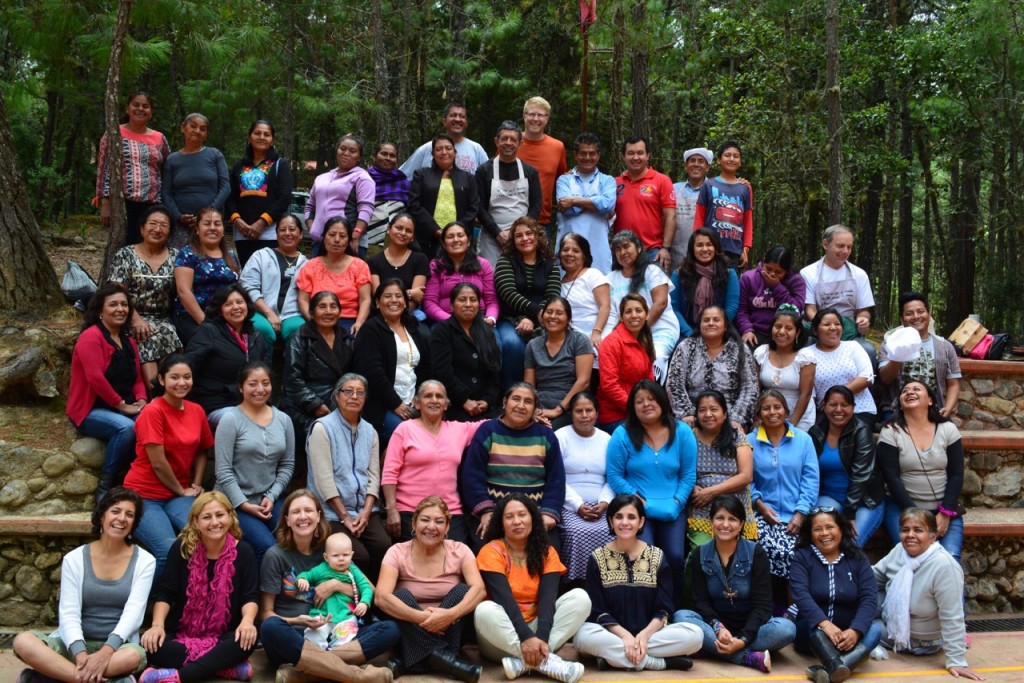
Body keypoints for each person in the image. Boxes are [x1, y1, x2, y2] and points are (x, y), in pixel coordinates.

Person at [12, 488, 154, 683]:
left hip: (116, 649)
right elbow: (69, 613)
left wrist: (106, 651)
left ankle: (53, 676)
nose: (122, 518)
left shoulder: (145, 561)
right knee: (23, 642)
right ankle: (84, 678)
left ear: (133, 523)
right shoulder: (75, 558)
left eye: (129, 514)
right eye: (115, 511)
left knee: (132, 657)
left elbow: (134, 613)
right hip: (72, 647)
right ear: (102, 516)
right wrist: (80, 655)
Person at [259, 489, 397, 683]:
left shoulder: (331, 550)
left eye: (308, 510)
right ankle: (357, 676)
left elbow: (372, 593)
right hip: (296, 637)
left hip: (338, 630)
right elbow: (266, 613)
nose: (303, 516)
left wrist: (336, 585)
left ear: (318, 516)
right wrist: (299, 620)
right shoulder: (275, 556)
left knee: (390, 629)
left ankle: (304, 673)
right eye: (296, 512)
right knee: (271, 627)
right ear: (287, 519)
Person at [138, 492, 258, 683]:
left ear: (230, 516)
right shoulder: (182, 549)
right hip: (181, 633)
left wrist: (247, 621)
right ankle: (222, 666)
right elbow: (166, 593)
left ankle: (178, 676)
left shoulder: (244, 552)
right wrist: (157, 625)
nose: (214, 522)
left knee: (245, 641)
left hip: (224, 635)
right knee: (150, 646)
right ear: (195, 521)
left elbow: (250, 596)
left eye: (220, 515)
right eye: (206, 517)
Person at [574, 494, 703, 671]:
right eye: (618, 517)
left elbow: (664, 608)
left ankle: (613, 658)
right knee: (583, 636)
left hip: (650, 636)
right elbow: (597, 609)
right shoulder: (597, 557)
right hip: (613, 634)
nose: (625, 522)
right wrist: (625, 636)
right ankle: (657, 662)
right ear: (611, 521)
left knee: (694, 635)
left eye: (631, 517)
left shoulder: (657, 556)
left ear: (641, 522)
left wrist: (644, 635)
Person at [674, 494, 797, 673]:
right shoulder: (700, 553)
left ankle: (713, 649)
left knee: (787, 629)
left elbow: (763, 606)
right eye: (720, 518)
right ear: (711, 521)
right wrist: (718, 627)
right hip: (715, 628)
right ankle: (747, 658)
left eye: (732, 519)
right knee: (681, 616)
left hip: (753, 628)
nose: (725, 524)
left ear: (741, 524)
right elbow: (700, 601)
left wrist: (743, 639)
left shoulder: (756, 553)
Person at [474, 496, 591, 683]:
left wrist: (541, 638)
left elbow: (548, 599)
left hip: (540, 633)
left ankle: (528, 662)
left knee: (580, 597)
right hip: (501, 637)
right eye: (509, 517)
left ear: (533, 519)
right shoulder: (492, 551)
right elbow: (504, 599)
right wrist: (526, 638)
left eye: (522, 515)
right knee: (484, 610)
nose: (517, 521)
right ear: (501, 523)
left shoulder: (546, 551)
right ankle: (545, 660)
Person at [374, 496, 487, 681]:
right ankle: (447, 662)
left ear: (448, 527)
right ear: (414, 522)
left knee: (462, 591)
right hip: (410, 629)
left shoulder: (460, 550)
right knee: (400, 596)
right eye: (425, 520)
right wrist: (422, 618)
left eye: (439, 521)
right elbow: (381, 597)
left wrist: (450, 614)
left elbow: (479, 590)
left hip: (450, 629)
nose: (431, 526)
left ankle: (412, 661)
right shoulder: (397, 552)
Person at [605, 380, 697, 605]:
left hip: (673, 507)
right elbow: (615, 475)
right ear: (632, 407)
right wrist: (636, 501)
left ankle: (672, 608)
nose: (646, 404)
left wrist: (678, 502)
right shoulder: (622, 434)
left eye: (651, 398)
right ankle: (643, 609)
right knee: (643, 556)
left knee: (674, 556)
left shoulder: (682, 432)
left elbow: (688, 475)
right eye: (639, 401)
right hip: (637, 510)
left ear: (662, 401)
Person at [124, 354, 212, 581]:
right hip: (145, 494)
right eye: (175, 377)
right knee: (168, 550)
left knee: (205, 538)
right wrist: (181, 490)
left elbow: (204, 449)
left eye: (187, 377)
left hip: (178, 493)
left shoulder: (196, 410)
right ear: (161, 380)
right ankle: (143, 609)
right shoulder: (153, 412)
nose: (182, 382)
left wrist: (197, 483)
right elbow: (158, 462)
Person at [873, 509, 984, 680]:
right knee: (853, 600)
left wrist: (956, 660)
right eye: (905, 530)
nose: (910, 535)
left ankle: (865, 645)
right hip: (894, 621)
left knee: (859, 628)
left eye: (918, 530)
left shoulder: (945, 566)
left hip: (918, 641)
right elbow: (872, 579)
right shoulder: (899, 551)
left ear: (933, 536)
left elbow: (952, 615)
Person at [67, 283, 148, 500]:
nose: (120, 309)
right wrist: (120, 405)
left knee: (150, 422)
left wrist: (141, 399)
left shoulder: (128, 340)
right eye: (113, 304)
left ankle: (135, 481)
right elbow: (95, 377)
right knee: (125, 428)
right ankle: (107, 484)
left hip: (125, 405)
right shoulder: (90, 337)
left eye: (124, 304)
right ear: (100, 310)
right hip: (91, 408)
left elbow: (138, 377)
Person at [306, 374, 391, 581]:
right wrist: (345, 516)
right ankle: (357, 603)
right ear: (337, 396)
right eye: (348, 391)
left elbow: (373, 474)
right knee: (358, 555)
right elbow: (323, 479)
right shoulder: (322, 428)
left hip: (364, 510)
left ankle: (377, 603)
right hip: (331, 512)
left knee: (384, 547)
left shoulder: (370, 431)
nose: (354, 396)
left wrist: (367, 511)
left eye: (360, 392)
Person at [462, 384, 566, 549]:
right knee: (485, 554)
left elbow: (556, 480)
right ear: (505, 402)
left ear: (535, 409)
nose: (521, 406)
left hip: (534, 515)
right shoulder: (488, 431)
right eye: (516, 399)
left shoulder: (546, 436)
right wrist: (486, 510)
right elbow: (472, 476)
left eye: (528, 402)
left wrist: (548, 513)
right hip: (494, 514)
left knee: (549, 555)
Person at [382, 381, 485, 543]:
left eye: (439, 396)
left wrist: (529, 414)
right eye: (428, 396)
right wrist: (391, 510)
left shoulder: (459, 430)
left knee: (454, 562)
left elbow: (492, 425)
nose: (434, 400)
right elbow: (389, 473)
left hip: (450, 511)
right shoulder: (404, 429)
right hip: (411, 510)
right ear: (416, 403)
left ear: (446, 404)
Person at [214, 361, 294, 566]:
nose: (260, 389)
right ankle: (259, 596)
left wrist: (272, 495)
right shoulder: (231, 419)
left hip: (269, 498)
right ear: (241, 387)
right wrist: (244, 504)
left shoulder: (284, 420)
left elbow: (287, 465)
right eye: (252, 384)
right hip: (234, 501)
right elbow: (223, 471)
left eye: (265, 383)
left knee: (294, 536)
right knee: (266, 547)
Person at [877, 380, 966, 563]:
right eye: (905, 391)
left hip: (943, 509)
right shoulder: (891, 431)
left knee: (950, 560)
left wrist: (946, 512)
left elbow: (957, 474)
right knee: (915, 558)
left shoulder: (947, 429)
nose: (910, 392)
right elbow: (891, 478)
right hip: (903, 507)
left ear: (931, 400)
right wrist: (918, 518)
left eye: (916, 389)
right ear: (900, 403)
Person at [790, 507, 882, 683]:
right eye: (817, 529)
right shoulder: (802, 557)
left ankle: (831, 669)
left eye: (830, 527)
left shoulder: (857, 558)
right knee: (815, 631)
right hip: (811, 635)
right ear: (810, 533)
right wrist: (825, 625)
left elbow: (869, 598)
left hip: (848, 637)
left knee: (875, 630)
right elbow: (801, 595)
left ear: (841, 529)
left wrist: (855, 631)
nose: (825, 533)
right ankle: (842, 665)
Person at [748, 389, 820, 605]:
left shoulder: (803, 439)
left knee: (797, 555)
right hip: (763, 514)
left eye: (777, 407)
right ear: (759, 413)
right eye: (766, 408)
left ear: (786, 411)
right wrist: (759, 504)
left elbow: (811, 478)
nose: (772, 412)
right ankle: (765, 611)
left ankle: (793, 613)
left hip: (797, 514)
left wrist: (800, 512)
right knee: (759, 551)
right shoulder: (749, 441)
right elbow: (746, 478)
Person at [109, 205, 182, 386]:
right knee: (145, 335)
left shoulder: (176, 256)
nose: (158, 229)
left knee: (167, 332)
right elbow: (117, 292)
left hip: (164, 317)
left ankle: (168, 392)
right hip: (128, 316)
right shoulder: (125, 255)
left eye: (163, 225)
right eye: (153, 224)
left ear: (170, 231)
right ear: (141, 228)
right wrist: (136, 319)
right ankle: (154, 393)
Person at [281, 291, 353, 468]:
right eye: (322, 307)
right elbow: (292, 379)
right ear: (311, 313)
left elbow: (353, 375)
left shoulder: (346, 338)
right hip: (306, 406)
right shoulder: (300, 338)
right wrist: (315, 405)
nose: (328, 311)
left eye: (333, 306)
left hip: (340, 403)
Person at [808, 385, 887, 546]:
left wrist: (850, 513)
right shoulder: (816, 433)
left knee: (850, 545)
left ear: (853, 408)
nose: (838, 410)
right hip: (828, 497)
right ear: (824, 406)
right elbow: (807, 472)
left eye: (844, 405)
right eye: (833, 405)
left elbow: (861, 475)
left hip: (863, 501)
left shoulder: (861, 431)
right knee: (826, 541)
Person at [354, 279, 431, 441]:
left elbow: (424, 368)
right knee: (407, 434)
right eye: (387, 296)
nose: (394, 300)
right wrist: (396, 404)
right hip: (382, 404)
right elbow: (373, 373)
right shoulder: (371, 330)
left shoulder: (413, 328)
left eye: (398, 296)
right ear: (377, 302)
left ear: (405, 302)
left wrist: (420, 400)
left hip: (413, 402)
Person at [184, 283, 269, 426]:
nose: (236, 307)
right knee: (241, 422)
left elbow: (266, 369)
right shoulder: (209, 331)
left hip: (250, 401)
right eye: (228, 304)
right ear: (220, 310)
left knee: (281, 419)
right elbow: (188, 363)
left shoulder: (256, 335)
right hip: (217, 402)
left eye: (240, 302)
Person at [495, 216, 563, 389]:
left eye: (529, 233)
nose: (525, 238)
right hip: (509, 319)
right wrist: (536, 313)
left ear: (538, 236)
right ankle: (509, 392)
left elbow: (553, 295)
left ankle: (544, 395)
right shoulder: (505, 262)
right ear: (513, 240)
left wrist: (532, 319)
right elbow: (508, 293)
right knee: (512, 344)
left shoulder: (550, 265)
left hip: (542, 320)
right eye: (519, 236)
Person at [666, 304, 759, 428]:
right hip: (692, 420)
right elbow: (674, 384)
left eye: (716, 320)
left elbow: (750, 387)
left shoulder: (739, 348)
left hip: (730, 420)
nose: (711, 323)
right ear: (700, 325)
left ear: (725, 326)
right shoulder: (686, 347)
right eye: (706, 320)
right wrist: (687, 414)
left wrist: (737, 419)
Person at [96, 91, 170, 245]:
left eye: (145, 106)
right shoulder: (114, 133)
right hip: (122, 203)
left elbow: (166, 171)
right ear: (127, 108)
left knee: (150, 245)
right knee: (123, 244)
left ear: (151, 112)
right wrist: (105, 202)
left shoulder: (160, 138)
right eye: (136, 105)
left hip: (152, 204)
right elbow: (104, 168)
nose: (140, 109)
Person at [555, 391, 613, 583]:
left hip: (602, 504)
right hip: (569, 503)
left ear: (597, 413)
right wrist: (578, 505)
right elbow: (555, 477)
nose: (584, 415)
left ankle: (606, 584)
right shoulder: (560, 437)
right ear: (571, 413)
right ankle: (574, 584)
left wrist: (604, 503)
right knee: (575, 532)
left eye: (589, 410)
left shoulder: (607, 439)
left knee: (611, 531)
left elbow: (613, 477)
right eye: (579, 411)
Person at [605, 230, 680, 378]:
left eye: (626, 246)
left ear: (639, 248)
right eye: (618, 249)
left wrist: (638, 332)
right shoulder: (610, 279)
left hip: (659, 329)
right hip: (625, 333)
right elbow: (612, 313)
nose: (623, 252)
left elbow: (661, 303)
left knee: (653, 356)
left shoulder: (652, 271)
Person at [687, 390, 756, 546]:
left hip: (735, 503)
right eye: (702, 410)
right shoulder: (689, 436)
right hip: (702, 505)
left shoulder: (737, 436)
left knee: (739, 555)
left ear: (725, 414)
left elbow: (746, 476)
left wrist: (712, 492)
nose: (708, 414)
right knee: (702, 551)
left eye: (714, 409)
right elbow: (680, 469)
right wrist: (692, 487)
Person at [878, 291, 962, 418]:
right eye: (909, 313)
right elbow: (885, 378)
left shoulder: (944, 346)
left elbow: (953, 383)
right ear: (902, 319)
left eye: (921, 311)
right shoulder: (889, 344)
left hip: (934, 408)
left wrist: (948, 408)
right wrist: (899, 354)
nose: (916, 316)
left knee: (950, 435)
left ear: (929, 315)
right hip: (896, 408)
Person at [428, 283, 502, 422]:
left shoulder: (487, 332)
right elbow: (442, 372)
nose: (468, 304)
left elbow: (494, 372)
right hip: (454, 405)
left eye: (473, 300)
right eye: (462, 300)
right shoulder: (442, 331)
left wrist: (487, 400)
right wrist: (464, 400)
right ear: (451, 306)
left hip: (485, 407)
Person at [225, 119, 294, 265]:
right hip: (242, 233)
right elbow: (230, 197)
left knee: (268, 276)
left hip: (270, 233)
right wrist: (237, 221)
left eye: (266, 134)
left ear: (272, 140)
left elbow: (285, 197)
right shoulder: (239, 166)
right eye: (257, 133)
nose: (262, 137)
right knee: (247, 275)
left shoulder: (279, 165)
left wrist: (262, 222)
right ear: (249, 137)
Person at [475, 120, 542, 265]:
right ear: (496, 141)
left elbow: (536, 205)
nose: (508, 142)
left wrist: (521, 232)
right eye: (504, 138)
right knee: (491, 279)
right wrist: (497, 233)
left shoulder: (530, 171)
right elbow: (478, 206)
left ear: (520, 143)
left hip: (523, 238)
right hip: (492, 237)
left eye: (513, 139)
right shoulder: (484, 170)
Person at [294, 533, 374, 650]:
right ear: (326, 557)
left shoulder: (353, 571)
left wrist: (364, 602)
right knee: (314, 633)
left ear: (352, 555)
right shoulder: (322, 569)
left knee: (347, 634)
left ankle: (336, 653)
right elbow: (307, 574)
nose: (341, 559)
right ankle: (316, 654)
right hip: (322, 615)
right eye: (336, 555)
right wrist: (302, 579)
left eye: (345, 555)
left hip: (345, 615)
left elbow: (366, 587)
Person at [172, 207, 239, 344]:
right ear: (197, 229)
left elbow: (238, 289)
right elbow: (184, 292)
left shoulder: (231, 255)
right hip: (193, 316)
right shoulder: (187, 254)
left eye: (217, 224)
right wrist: (205, 323)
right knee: (215, 346)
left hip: (227, 316)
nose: (213, 228)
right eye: (207, 223)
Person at [238, 214, 308, 348]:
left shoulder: (307, 264)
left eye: (292, 229)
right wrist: (268, 313)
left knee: (299, 330)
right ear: (276, 234)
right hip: (260, 311)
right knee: (262, 330)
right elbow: (247, 286)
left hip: (293, 314)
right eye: (282, 230)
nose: (287, 233)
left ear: (300, 234)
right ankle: (260, 369)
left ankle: (292, 369)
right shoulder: (261, 256)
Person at [161, 113, 230, 248]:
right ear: (183, 127)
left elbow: (225, 187)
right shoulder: (172, 159)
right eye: (193, 126)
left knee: (210, 263)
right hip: (181, 226)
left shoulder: (214, 155)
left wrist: (208, 213)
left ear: (206, 134)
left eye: (202, 129)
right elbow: (166, 193)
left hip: (210, 223)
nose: (197, 131)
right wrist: (179, 216)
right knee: (182, 264)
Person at [801, 224, 875, 347]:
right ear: (825, 245)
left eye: (849, 247)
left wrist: (863, 320)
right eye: (840, 246)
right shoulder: (808, 273)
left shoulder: (859, 274)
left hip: (849, 331)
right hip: (818, 331)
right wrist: (825, 327)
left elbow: (864, 310)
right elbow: (810, 309)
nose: (845, 251)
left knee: (869, 351)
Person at [295, 216, 372, 335]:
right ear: (324, 238)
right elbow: (303, 300)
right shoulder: (310, 266)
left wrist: (359, 323)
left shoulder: (360, 266)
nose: (337, 240)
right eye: (332, 235)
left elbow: (365, 299)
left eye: (342, 236)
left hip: (350, 321)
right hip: (318, 321)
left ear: (348, 241)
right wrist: (313, 321)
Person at [524, 297, 593, 429]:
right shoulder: (533, 345)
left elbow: (583, 381)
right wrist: (534, 410)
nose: (553, 316)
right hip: (541, 407)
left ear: (568, 319)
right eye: (549, 312)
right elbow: (529, 386)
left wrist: (558, 410)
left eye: (559, 313)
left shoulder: (579, 340)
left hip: (571, 406)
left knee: (546, 432)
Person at [408, 133, 480, 256]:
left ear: (455, 152)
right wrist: (436, 231)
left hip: (459, 241)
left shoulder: (468, 178)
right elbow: (414, 205)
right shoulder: (421, 175)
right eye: (438, 149)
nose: (444, 152)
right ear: (432, 154)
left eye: (448, 148)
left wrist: (456, 233)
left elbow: (474, 207)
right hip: (426, 239)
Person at [806, 307, 877, 432]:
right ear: (815, 330)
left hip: (859, 409)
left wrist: (836, 397)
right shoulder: (807, 354)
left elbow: (867, 377)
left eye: (837, 324)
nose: (833, 328)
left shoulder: (853, 346)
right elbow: (808, 391)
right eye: (827, 324)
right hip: (826, 414)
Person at [613, 136, 677, 271]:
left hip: (652, 252)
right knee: (621, 292)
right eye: (630, 153)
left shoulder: (662, 181)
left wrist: (666, 248)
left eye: (640, 153)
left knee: (655, 292)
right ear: (623, 156)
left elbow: (670, 216)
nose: (635, 157)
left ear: (648, 155)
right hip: (622, 251)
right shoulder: (615, 183)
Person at [555, 133, 616, 273]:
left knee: (599, 290)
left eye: (592, 154)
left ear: (598, 155)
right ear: (575, 155)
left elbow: (607, 205)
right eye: (583, 153)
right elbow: (566, 208)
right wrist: (596, 202)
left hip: (598, 249)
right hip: (568, 250)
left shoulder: (607, 180)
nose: (587, 158)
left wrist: (575, 200)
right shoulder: (564, 180)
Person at [304, 134, 375, 253]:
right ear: (337, 151)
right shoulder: (322, 178)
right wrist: (313, 229)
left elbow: (366, 209)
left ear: (359, 157)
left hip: (348, 242)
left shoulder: (362, 178)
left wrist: (355, 235)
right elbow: (309, 207)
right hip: (320, 242)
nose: (346, 153)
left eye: (352, 151)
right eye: (343, 148)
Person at [422, 221, 500, 325]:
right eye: (450, 237)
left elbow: (491, 300)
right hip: (446, 323)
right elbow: (429, 302)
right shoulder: (436, 266)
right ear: (444, 244)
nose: (456, 240)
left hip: (480, 321)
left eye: (460, 235)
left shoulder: (483, 264)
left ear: (468, 241)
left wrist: (490, 319)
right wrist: (454, 322)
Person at [753, 304, 817, 430]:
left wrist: (791, 426)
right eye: (778, 327)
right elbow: (756, 390)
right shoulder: (762, 353)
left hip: (798, 417)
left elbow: (806, 394)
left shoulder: (805, 357)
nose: (782, 332)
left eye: (788, 328)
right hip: (768, 414)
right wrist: (757, 418)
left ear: (797, 332)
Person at [596, 294, 655, 431]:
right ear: (621, 317)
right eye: (628, 312)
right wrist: (637, 407)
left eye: (639, 310)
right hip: (616, 416)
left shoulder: (644, 340)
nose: (634, 315)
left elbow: (649, 380)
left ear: (646, 315)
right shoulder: (611, 343)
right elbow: (609, 386)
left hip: (641, 411)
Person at [671, 227, 740, 337]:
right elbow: (674, 309)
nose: (704, 249)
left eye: (709, 244)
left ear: (716, 247)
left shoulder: (729, 274)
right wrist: (690, 333)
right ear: (692, 249)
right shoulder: (679, 274)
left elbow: (732, 307)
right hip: (688, 330)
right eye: (699, 245)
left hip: (721, 330)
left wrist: (717, 330)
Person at [694, 141, 754, 267]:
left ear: (740, 162)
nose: (731, 159)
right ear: (719, 160)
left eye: (736, 156)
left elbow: (748, 221)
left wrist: (746, 248)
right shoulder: (708, 185)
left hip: (734, 250)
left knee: (731, 284)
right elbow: (699, 217)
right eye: (727, 155)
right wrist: (697, 243)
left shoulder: (745, 188)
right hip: (710, 249)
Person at [517, 96, 568, 232]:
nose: (535, 119)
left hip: (541, 222)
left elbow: (564, 181)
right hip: (511, 219)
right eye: (532, 114)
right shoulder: (510, 143)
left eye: (540, 115)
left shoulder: (557, 147)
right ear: (524, 115)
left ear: (547, 118)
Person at [738, 246, 806, 347]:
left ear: (786, 271)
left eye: (778, 272)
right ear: (763, 263)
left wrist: (776, 286)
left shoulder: (796, 281)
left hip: (784, 332)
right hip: (755, 331)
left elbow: (796, 309)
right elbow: (741, 310)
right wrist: (746, 330)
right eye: (768, 269)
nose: (772, 274)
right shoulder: (749, 278)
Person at [558, 233, 610, 362]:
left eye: (576, 250)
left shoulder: (593, 274)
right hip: (569, 342)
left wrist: (596, 332)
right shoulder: (558, 283)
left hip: (594, 338)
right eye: (565, 250)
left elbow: (605, 306)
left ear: (584, 256)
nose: (569, 254)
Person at [366, 213, 429, 319]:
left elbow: (417, 298)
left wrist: (398, 317)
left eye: (408, 231)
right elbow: (378, 295)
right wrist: (409, 293)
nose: (403, 233)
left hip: (409, 315)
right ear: (388, 229)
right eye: (399, 228)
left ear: (413, 237)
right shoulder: (374, 261)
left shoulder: (420, 260)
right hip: (380, 316)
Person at [400, 103, 489, 175]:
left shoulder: (477, 149)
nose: (458, 119)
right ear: (444, 121)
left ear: (466, 123)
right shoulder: (428, 148)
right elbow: (402, 175)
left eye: (462, 116)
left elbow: (489, 178)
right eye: (453, 115)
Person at [363, 142, 411, 257]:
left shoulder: (403, 181)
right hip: (368, 238)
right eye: (384, 154)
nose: (388, 158)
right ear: (374, 156)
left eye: (392, 155)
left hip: (397, 240)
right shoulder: (364, 179)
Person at [669, 146, 712, 271]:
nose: (696, 164)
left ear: (707, 167)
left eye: (701, 161)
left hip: (706, 252)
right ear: (685, 166)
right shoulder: (673, 188)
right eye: (692, 161)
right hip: (676, 252)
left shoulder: (714, 189)